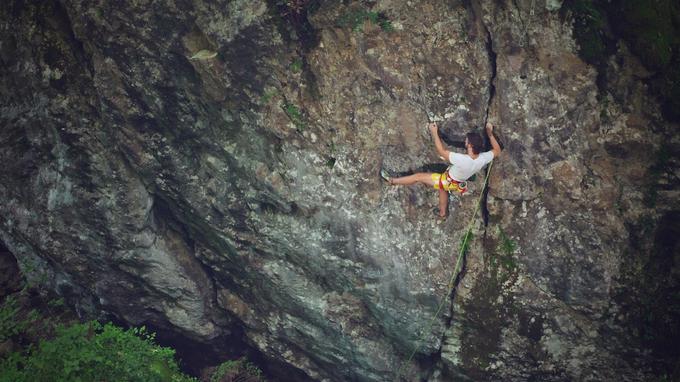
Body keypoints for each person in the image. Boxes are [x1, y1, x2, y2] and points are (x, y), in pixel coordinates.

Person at [381, 122, 501, 219]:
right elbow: (497, 150)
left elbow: (441, 151)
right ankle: (442, 213)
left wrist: (434, 133)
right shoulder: (483, 158)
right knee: (443, 189)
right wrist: (490, 134)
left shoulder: (462, 159)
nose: (465, 141)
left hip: (446, 180)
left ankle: (392, 180)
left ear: (469, 145)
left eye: (466, 140)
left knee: (418, 177)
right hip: (457, 184)